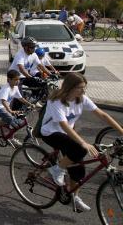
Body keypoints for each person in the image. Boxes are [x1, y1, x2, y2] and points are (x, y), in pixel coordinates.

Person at [41, 73, 123, 212]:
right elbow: (64, 125)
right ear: (70, 87)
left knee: (79, 170)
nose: (83, 91)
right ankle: (56, 170)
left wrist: (121, 131)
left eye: (84, 87)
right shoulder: (56, 101)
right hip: (51, 133)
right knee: (81, 149)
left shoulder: (81, 98)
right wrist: (84, 143)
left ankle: (74, 197)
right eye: (80, 88)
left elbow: (103, 114)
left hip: (67, 134)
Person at [0, 70, 35, 146]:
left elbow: (20, 98)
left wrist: (30, 104)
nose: (18, 81)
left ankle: (9, 136)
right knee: (11, 118)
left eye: (18, 79)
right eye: (15, 79)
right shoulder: (6, 89)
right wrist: (10, 111)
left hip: (4, 106)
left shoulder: (15, 87)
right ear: (8, 80)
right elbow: (3, 101)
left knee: (13, 120)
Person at [8, 37, 51, 101]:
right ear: (25, 47)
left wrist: (51, 74)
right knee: (19, 97)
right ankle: (14, 109)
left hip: (25, 76)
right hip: (15, 77)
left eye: (34, 47)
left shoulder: (34, 54)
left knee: (42, 83)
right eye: (32, 47)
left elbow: (41, 66)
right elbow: (21, 69)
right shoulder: (20, 55)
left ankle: (34, 98)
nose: (34, 49)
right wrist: (30, 77)